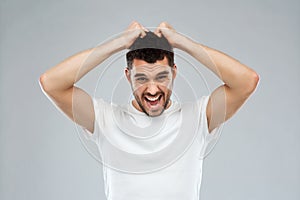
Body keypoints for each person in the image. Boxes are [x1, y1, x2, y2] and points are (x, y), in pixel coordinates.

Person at [39, 21, 259, 200]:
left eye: (161, 77)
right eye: (141, 78)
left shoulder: (199, 117)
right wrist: (116, 43)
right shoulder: (106, 119)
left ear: (174, 73)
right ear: (128, 76)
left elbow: (247, 81)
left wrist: (184, 42)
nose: (152, 89)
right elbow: (51, 83)